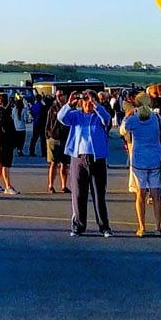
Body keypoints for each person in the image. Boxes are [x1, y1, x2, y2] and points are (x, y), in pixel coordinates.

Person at [58, 90, 113, 237]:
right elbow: (61, 118)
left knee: (98, 194)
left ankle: (104, 227)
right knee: (78, 194)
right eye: (86, 100)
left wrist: (96, 105)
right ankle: (78, 226)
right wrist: (69, 104)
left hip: (97, 159)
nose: (88, 103)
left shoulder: (99, 115)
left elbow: (107, 120)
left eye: (90, 100)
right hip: (78, 158)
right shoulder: (76, 115)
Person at [120, 93, 161, 237]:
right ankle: (158, 227)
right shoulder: (157, 118)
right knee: (156, 194)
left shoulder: (133, 119)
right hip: (155, 158)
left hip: (139, 158)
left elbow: (123, 130)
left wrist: (127, 115)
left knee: (141, 194)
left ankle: (142, 226)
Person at [0, 93, 19, 194]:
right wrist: (13, 140)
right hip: (4, 141)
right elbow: (8, 129)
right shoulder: (3, 113)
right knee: (5, 164)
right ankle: (8, 186)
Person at [44, 90, 71, 194]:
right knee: (53, 163)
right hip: (54, 138)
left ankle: (64, 186)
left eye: (60, 95)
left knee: (65, 164)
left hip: (66, 139)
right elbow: (47, 123)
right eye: (57, 96)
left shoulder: (69, 109)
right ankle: (51, 185)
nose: (58, 98)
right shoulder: (52, 108)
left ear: (65, 96)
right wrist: (48, 135)